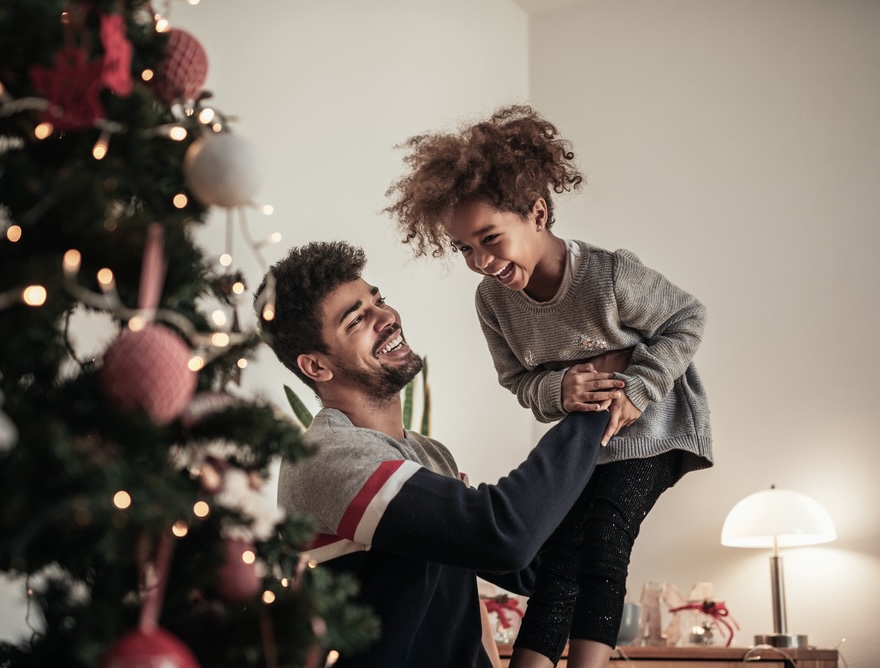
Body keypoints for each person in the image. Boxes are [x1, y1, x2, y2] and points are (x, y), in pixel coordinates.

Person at [384, 104, 713, 668]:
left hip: (655, 428)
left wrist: (637, 387)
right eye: (465, 248)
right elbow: (519, 380)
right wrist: (560, 389)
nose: (482, 260)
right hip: (587, 439)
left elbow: (687, 318)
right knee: (557, 555)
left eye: (490, 238)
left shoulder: (609, 276)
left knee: (604, 543)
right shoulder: (493, 301)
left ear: (537, 213)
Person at [253, 240, 625, 667]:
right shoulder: (325, 458)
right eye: (357, 320)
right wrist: (602, 390)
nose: (387, 318)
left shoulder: (428, 455)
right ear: (316, 367)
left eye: (379, 301)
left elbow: (530, 569)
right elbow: (502, 535)